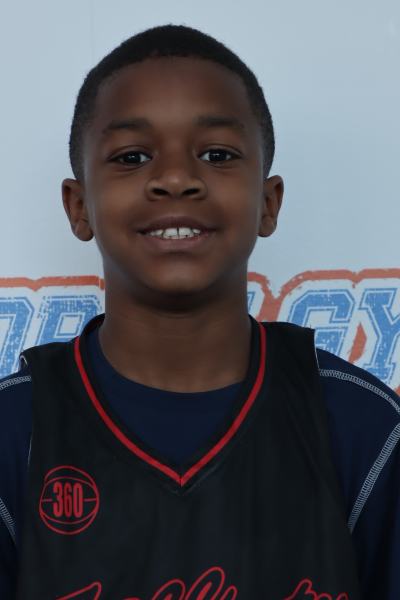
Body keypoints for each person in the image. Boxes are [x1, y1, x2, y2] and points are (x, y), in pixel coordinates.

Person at [0, 24, 399, 600]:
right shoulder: (17, 431)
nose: (176, 178)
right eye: (132, 156)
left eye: (217, 154)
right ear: (79, 206)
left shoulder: (361, 426)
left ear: (268, 202)